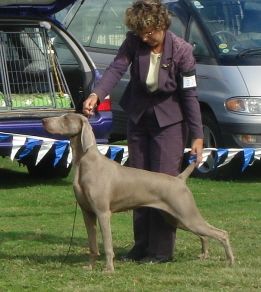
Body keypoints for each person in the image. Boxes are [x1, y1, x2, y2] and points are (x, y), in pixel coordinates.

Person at [83, 0, 203, 263]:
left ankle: (160, 251)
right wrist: (96, 93)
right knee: (136, 184)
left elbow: (190, 95)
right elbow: (115, 69)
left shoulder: (182, 51)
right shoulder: (133, 42)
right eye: (140, 32)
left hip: (169, 124)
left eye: (149, 32)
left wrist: (197, 135)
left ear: (162, 25)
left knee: (162, 186)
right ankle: (140, 246)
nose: (144, 37)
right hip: (138, 119)